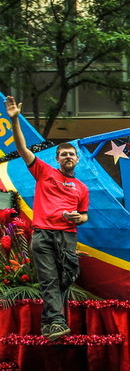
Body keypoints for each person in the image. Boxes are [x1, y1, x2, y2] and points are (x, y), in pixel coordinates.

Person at [6, 95, 89, 341]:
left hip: (68, 236)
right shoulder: (44, 171)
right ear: (57, 158)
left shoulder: (82, 188)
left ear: (77, 159)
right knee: (50, 279)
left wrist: (78, 217)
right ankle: (55, 322)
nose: (67, 157)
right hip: (43, 234)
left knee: (68, 277)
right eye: (63, 154)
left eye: (71, 154)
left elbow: (84, 216)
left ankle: (48, 322)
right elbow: (22, 149)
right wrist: (15, 120)